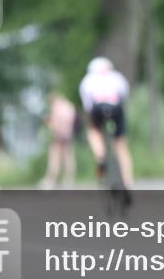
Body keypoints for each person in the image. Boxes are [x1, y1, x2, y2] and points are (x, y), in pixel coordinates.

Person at [78, 57, 134, 188]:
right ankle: (128, 181)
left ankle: (101, 156)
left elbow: (88, 104)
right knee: (121, 146)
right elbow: (124, 94)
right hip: (116, 107)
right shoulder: (116, 76)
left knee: (94, 131)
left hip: (98, 107)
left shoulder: (88, 80)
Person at [40, 92, 77, 189]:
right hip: (68, 134)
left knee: (54, 156)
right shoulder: (69, 106)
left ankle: (51, 179)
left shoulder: (57, 107)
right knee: (68, 157)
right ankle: (69, 179)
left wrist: (49, 122)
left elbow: (54, 122)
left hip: (59, 134)